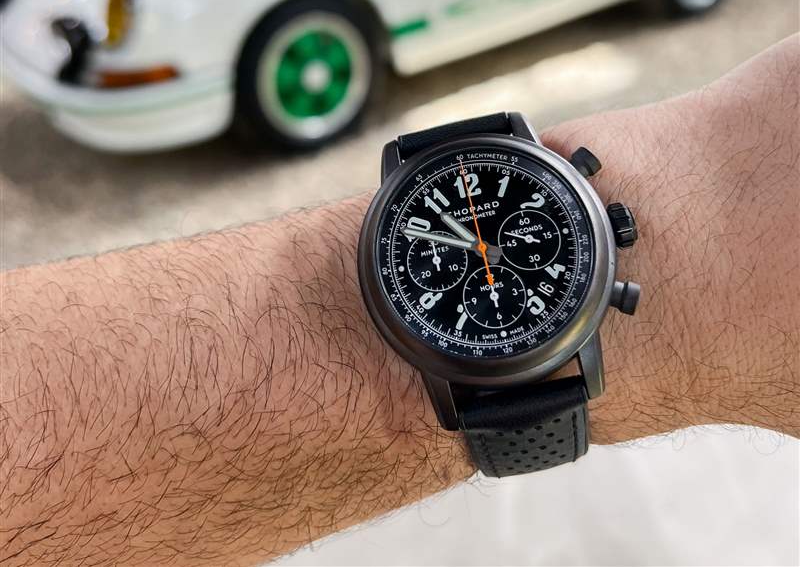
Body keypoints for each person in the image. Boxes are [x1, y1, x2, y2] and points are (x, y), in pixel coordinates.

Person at [1, 37, 797, 566]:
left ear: (606, 225)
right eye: (473, 250)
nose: (488, 256)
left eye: (506, 243)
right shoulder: (418, 324)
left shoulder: (562, 237)